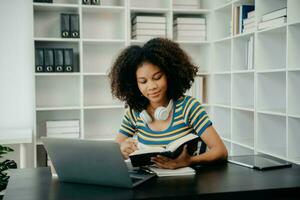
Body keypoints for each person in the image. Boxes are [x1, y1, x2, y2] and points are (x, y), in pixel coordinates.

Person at [109, 38, 228, 169]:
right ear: (134, 84)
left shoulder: (188, 107)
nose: (151, 86)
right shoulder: (134, 112)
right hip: (149, 182)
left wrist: (188, 161)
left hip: (184, 183)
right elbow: (113, 153)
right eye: (143, 81)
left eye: (157, 77)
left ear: (170, 75)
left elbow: (220, 151)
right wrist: (121, 150)